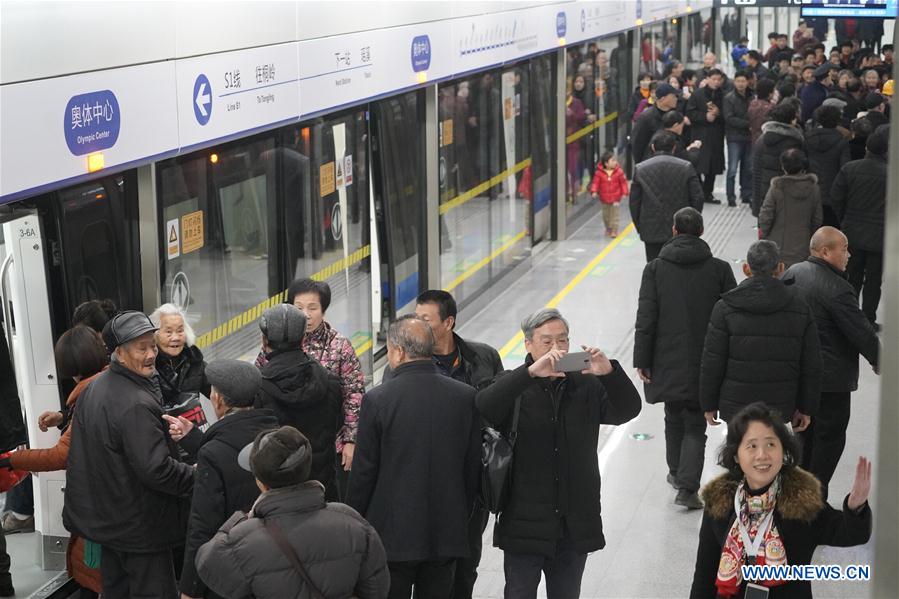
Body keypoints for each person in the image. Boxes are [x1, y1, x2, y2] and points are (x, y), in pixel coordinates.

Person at [475, 308, 641, 599]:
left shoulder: (586, 384)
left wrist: (611, 374)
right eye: (546, 341)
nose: (556, 349)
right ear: (527, 344)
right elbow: (484, 407)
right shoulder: (513, 385)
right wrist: (528, 375)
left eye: (562, 341)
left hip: (573, 523)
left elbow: (627, 410)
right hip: (524, 523)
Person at [63, 311, 195, 598]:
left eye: (152, 346)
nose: (151, 355)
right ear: (119, 353)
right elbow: (156, 469)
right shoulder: (134, 402)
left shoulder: (94, 388)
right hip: (140, 529)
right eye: (142, 348)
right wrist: (198, 476)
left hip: (109, 524)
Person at [348, 316, 480, 599]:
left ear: (397, 351)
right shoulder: (465, 396)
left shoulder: (379, 400)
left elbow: (364, 472)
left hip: (392, 537)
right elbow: (472, 469)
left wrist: (356, 520)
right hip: (447, 532)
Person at [689, 402, 872, 599]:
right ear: (736, 455)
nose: (762, 455)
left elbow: (848, 534)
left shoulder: (801, 500)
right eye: (751, 446)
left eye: (771, 444)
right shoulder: (720, 501)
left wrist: (855, 507)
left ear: (783, 452)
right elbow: (704, 576)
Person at [391, 290, 503, 599]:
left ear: (449, 322)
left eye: (425, 319)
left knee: (465, 565)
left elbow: (502, 408)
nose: (418, 324)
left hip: (469, 482)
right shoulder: (402, 365)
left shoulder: (484, 357)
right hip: (422, 482)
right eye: (416, 317)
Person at [196, 426, 390, 598]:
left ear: (260, 482)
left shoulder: (241, 539)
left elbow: (206, 564)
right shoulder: (350, 519)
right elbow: (377, 588)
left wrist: (241, 517)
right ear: (306, 469)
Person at [634, 208, 737, 510]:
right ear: (702, 232)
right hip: (707, 356)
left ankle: (677, 473)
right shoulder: (718, 269)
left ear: (674, 230)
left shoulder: (654, 269)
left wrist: (642, 358)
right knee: (695, 422)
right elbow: (732, 314)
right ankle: (687, 487)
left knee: (672, 414)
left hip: (665, 356)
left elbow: (646, 317)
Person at [1, 326, 108, 596]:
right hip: (111, 501)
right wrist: (62, 417)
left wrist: (13, 460)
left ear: (70, 368)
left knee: (94, 572)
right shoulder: (108, 385)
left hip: (99, 506)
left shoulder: (89, 396)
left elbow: (60, 455)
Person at [163, 359, 279, 599]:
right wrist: (194, 438)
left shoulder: (213, 453)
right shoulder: (275, 435)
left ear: (217, 400)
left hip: (231, 568)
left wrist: (189, 589)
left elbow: (202, 525)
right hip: (275, 558)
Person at [782, 227, 880, 500]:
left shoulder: (792, 274)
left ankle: (797, 496)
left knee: (803, 437)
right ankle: (813, 501)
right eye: (844, 248)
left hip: (799, 377)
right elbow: (861, 332)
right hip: (831, 381)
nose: (848, 255)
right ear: (826, 251)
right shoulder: (837, 288)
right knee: (829, 441)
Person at [255, 279, 366, 498]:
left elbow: (354, 392)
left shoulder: (339, 345)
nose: (306, 314)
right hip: (284, 448)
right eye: (299, 308)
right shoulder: (276, 343)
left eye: (312, 308)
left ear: (323, 311)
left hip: (327, 443)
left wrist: (350, 440)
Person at [700, 241, 821, 428]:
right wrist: (806, 407)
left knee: (739, 452)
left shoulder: (724, 307)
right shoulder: (799, 306)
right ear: (780, 268)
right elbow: (811, 363)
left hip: (736, 405)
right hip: (780, 405)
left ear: (746, 268)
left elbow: (712, 362)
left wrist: (709, 403)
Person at [831, 124, 889, 328]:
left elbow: (836, 198)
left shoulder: (850, 169)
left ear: (867, 148)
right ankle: (868, 318)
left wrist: (843, 220)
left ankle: (849, 317)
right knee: (874, 280)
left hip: (852, 232)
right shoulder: (890, 174)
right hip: (880, 237)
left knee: (851, 276)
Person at [629, 131, 705, 262]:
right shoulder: (686, 167)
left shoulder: (640, 169)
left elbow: (634, 203)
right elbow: (698, 197)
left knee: (655, 265)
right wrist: (693, 224)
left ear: (653, 147)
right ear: (674, 147)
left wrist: (641, 227)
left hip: (651, 229)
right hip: (682, 228)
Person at [758, 149, 823, 268]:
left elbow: (766, 216)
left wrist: (763, 236)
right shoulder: (814, 188)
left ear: (783, 166)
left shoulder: (777, 188)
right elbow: (817, 218)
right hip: (803, 244)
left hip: (777, 244)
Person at [150, 303, 210, 407]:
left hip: (190, 422)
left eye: (180, 331)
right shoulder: (148, 363)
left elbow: (218, 392)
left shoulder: (194, 360)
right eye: (168, 332)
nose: (175, 337)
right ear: (155, 335)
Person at [752, 102, 805, 217]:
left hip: (763, 197)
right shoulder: (793, 143)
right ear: (792, 120)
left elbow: (756, 172)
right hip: (785, 199)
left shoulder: (761, 139)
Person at [805, 104, 851, 228]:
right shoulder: (842, 142)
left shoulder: (808, 138)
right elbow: (844, 168)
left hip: (811, 189)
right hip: (833, 192)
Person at [686, 68, 727, 203]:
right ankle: (699, 191)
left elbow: (728, 116)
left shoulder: (724, 96)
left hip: (716, 135)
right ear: (708, 79)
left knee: (713, 166)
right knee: (697, 163)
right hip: (700, 134)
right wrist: (705, 116)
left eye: (718, 80)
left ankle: (708, 193)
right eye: (713, 79)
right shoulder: (697, 95)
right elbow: (690, 113)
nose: (716, 82)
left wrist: (718, 113)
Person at [723, 69, 754, 207]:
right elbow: (729, 118)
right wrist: (748, 124)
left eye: (743, 81)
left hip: (749, 137)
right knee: (732, 169)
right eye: (738, 81)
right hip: (734, 137)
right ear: (734, 82)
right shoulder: (729, 98)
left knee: (747, 168)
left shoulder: (753, 97)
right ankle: (730, 196)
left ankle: (746, 194)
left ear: (748, 82)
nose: (741, 84)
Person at [631, 82, 681, 164]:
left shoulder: (675, 116)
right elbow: (637, 145)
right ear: (663, 98)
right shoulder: (646, 118)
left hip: (672, 164)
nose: (676, 98)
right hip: (651, 165)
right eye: (673, 96)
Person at [590, 150, 629, 238]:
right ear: (606, 163)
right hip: (604, 199)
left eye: (615, 160)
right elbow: (595, 183)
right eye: (613, 160)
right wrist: (594, 191)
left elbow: (623, 183)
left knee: (615, 215)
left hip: (616, 198)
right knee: (606, 216)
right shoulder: (599, 173)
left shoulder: (619, 172)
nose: (615, 162)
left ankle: (614, 230)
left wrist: (625, 192)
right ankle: (608, 228)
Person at [748, 78, 776, 144]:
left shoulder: (752, 104)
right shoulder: (771, 107)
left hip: (754, 138)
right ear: (770, 94)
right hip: (767, 141)